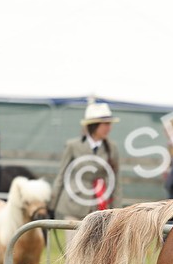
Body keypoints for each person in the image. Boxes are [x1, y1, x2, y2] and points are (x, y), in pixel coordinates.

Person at [48, 102, 121, 241]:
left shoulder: (112, 148)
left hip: (100, 208)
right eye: (105, 124)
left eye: (109, 124)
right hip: (73, 205)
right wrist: (52, 205)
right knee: (72, 249)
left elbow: (116, 181)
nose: (109, 128)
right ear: (94, 125)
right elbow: (62, 175)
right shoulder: (73, 146)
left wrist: (117, 210)